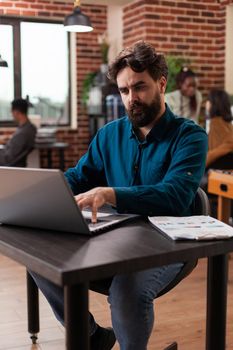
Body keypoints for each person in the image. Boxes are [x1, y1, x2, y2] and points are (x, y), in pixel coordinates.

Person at [30, 41, 207, 350]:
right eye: (124, 91)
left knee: (128, 288)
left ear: (161, 83)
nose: (131, 99)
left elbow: (176, 195)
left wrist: (111, 193)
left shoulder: (189, 136)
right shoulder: (109, 134)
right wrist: (37, 193)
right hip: (116, 240)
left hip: (168, 242)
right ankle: (92, 338)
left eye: (139, 87)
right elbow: (79, 176)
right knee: (39, 258)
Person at [0, 98, 37, 167]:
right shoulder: (30, 128)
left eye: (12, 112)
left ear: (16, 112)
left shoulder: (23, 133)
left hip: (10, 166)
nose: (12, 114)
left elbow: (7, 159)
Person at [205, 89, 233, 168]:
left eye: (208, 100)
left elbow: (229, 144)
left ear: (213, 104)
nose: (206, 104)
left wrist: (208, 157)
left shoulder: (216, 123)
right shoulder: (225, 123)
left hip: (219, 170)